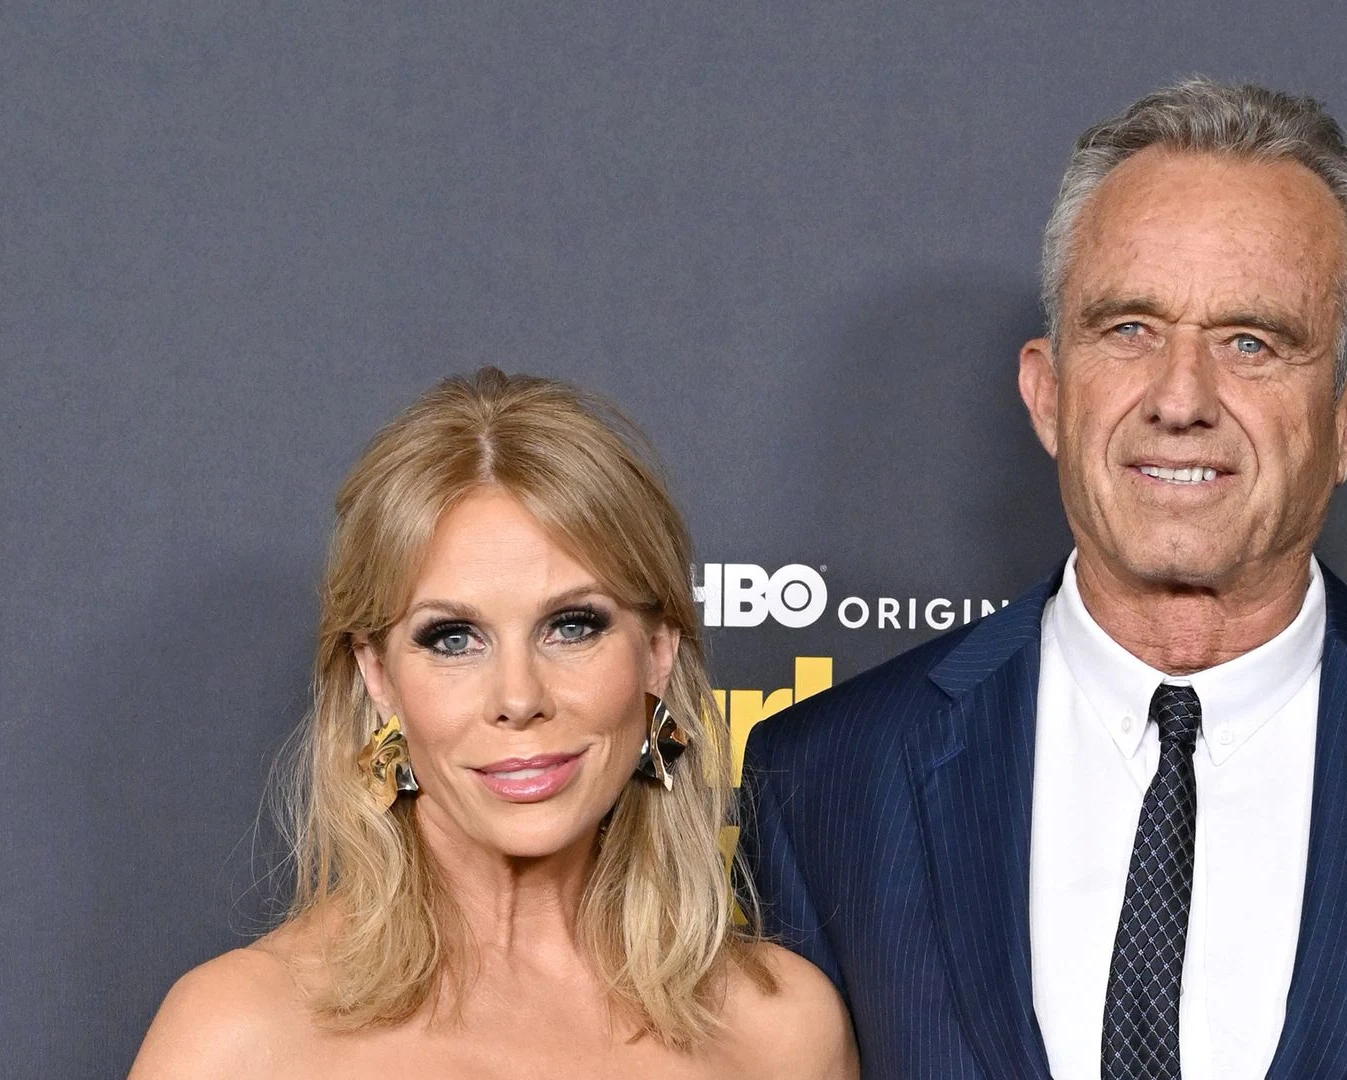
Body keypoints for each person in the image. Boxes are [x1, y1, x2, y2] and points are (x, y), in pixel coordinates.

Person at [739, 78, 1347, 1079]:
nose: (1181, 397)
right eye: (1129, 330)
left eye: (1251, 341)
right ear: (1047, 393)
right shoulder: (827, 781)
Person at [132, 370, 856, 1079]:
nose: (518, 697)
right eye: (453, 638)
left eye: (571, 627)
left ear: (658, 653)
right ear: (378, 676)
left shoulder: (782, 1031)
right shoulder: (239, 1036)